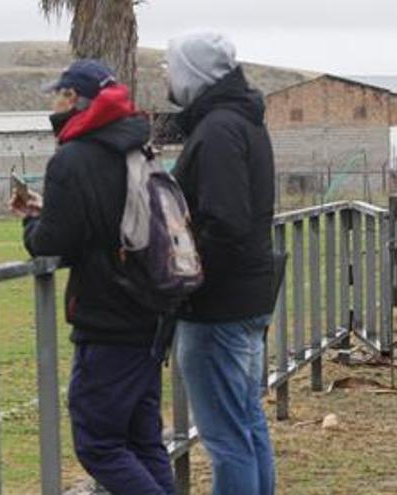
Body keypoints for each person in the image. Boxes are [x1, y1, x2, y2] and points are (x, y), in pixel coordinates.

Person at [10, 60, 175, 495]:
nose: (53, 102)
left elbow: (53, 242)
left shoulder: (73, 158)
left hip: (109, 317)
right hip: (150, 309)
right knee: (143, 439)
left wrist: (31, 222)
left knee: (99, 444)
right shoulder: (136, 147)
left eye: (58, 93)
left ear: (72, 99)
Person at [165, 32, 277, 495]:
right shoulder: (240, 122)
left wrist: (182, 274)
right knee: (247, 423)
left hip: (217, 308)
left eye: (172, 68)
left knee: (227, 436)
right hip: (244, 297)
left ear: (194, 74)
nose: (167, 77)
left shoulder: (217, 131)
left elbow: (224, 222)